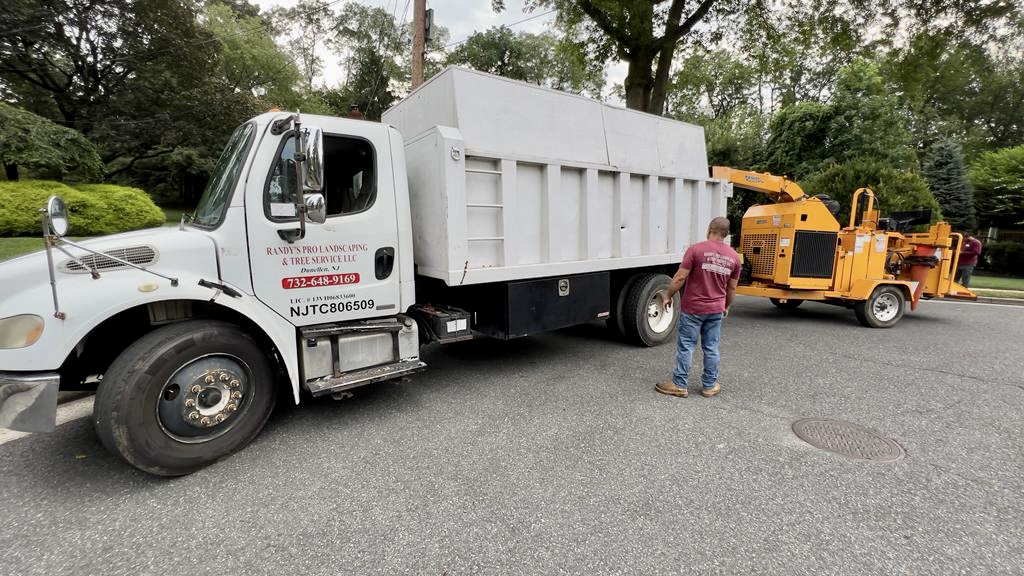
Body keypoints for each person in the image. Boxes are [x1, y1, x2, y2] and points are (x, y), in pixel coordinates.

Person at [656, 217, 740, 399]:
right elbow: (732, 288)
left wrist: (667, 295)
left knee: (686, 346)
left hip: (693, 308)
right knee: (711, 347)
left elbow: (679, 277)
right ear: (726, 234)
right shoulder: (734, 257)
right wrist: (726, 306)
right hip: (716, 309)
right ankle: (709, 386)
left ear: (710, 228)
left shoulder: (696, 249)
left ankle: (679, 385)